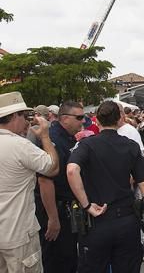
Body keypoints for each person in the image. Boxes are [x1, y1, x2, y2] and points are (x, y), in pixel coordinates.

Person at [67, 100, 144, 273]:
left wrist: (86, 205)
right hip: (126, 221)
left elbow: (71, 170)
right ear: (120, 119)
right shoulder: (131, 146)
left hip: (97, 221)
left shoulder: (87, 145)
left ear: (97, 120)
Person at [0, 92, 59, 273]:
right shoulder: (19, 145)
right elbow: (52, 168)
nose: (27, 121)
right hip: (18, 233)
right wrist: (45, 136)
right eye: (24, 116)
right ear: (13, 116)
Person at [35, 101, 85, 273]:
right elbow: (45, 181)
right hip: (55, 210)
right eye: (79, 117)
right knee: (57, 261)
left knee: (69, 258)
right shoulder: (53, 139)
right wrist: (53, 218)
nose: (83, 121)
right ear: (64, 119)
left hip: (67, 209)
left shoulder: (67, 136)